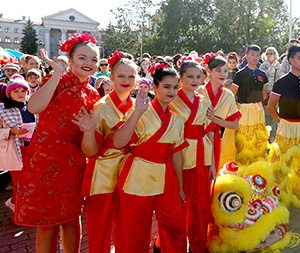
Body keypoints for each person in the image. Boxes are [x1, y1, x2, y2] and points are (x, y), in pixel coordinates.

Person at [14, 33, 101, 252]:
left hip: (73, 164)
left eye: (93, 60)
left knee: (71, 218)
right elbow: (33, 107)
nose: (88, 64)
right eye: (82, 58)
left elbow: (89, 138)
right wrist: (57, 74)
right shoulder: (56, 81)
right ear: (70, 60)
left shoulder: (93, 95)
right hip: (44, 160)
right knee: (46, 223)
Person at [112, 62, 187, 252]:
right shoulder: (140, 111)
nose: (171, 91)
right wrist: (137, 112)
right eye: (166, 87)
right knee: (133, 229)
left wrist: (180, 187)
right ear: (155, 87)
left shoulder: (177, 118)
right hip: (138, 174)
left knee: (175, 227)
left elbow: (177, 153)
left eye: (175, 87)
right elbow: (118, 142)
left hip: (167, 176)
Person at [73, 51, 136, 253]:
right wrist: (89, 131)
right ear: (111, 77)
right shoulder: (101, 108)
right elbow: (90, 151)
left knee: (127, 227)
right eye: (121, 76)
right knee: (99, 229)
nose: (126, 81)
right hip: (103, 173)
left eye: (131, 76)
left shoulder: (138, 106)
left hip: (129, 173)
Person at [171, 59, 215, 253]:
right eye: (190, 76)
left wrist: (213, 163)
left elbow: (210, 131)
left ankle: (198, 245)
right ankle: (174, 245)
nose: (195, 80)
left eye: (198, 76)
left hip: (202, 155)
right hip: (179, 155)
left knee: (202, 204)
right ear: (180, 77)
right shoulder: (172, 98)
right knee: (179, 204)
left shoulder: (204, 99)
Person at [267, 44, 300, 208]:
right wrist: (282, 121)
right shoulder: (282, 82)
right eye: (299, 58)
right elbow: (271, 107)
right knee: (282, 163)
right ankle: (277, 197)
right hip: (286, 126)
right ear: (291, 60)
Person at [197, 54, 240, 170]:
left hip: (216, 139)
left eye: (225, 71)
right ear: (209, 71)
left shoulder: (228, 95)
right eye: (218, 70)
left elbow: (235, 125)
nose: (223, 74)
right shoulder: (198, 91)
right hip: (196, 140)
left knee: (212, 177)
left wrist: (215, 119)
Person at [228, 45, 270, 166]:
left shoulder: (263, 74)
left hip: (258, 110)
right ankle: (243, 167)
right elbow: (232, 95)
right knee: (245, 139)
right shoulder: (240, 74)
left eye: (257, 55)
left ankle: (258, 166)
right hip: (244, 110)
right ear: (246, 56)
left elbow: (264, 94)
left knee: (259, 139)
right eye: (252, 55)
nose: (255, 57)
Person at [0, 75, 35, 213]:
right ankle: (19, 212)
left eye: (23, 90)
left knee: (33, 182)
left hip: (33, 149)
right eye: (16, 91)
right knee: (20, 183)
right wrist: (11, 131)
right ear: (9, 93)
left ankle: (17, 204)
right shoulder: (2, 109)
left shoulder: (32, 106)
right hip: (15, 150)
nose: (20, 94)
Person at [260, 47, 282, 143]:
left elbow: (280, 80)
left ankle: (273, 135)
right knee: (265, 114)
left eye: (271, 53)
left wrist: (274, 92)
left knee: (273, 114)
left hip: (275, 93)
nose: (269, 55)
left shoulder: (279, 66)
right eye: (267, 53)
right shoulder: (262, 66)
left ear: (275, 54)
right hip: (264, 93)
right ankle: (266, 135)